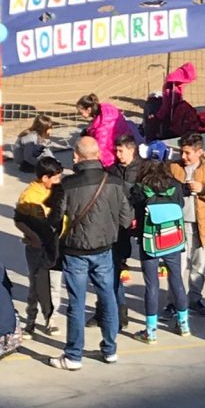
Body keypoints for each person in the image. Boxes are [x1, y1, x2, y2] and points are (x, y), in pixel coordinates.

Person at [49, 137, 132, 370]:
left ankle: (74, 355)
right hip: (105, 249)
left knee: (76, 302)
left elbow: (55, 220)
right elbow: (126, 218)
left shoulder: (67, 185)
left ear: (77, 155)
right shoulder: (115, 182)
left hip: (75, 250)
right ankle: (110, 349)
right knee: (108, 297)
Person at [131, 160, 192, 344]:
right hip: (172, 238)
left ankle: (151, 331)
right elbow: (180, 204)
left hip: (149, 241)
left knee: (152, 285)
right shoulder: (175, 185)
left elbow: (135, 210)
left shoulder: (140, 188)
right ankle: (183, 324)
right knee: (176, 280)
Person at [168, 132, 205, 318]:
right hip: (178, 224)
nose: (183, 157)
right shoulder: (173, 168)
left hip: (201, 226)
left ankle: (194, 299)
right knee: (177, 265)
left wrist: (203, 190)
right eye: (181, 153)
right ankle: (174, 301)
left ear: (199, 152)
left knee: (198, 265)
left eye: (187, 153)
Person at [13, 155, 64, 337]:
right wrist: (33, 237)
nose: (59, 181)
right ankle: (31, 320)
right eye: (56, 177)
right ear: (45, 178)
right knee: (36, 284)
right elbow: (19, 221)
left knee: (55, 283)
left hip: (55, 246)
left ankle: (51, 318)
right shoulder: (29, 197)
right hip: (36, 248)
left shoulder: (59, 191)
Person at [104, 132, 145, 329]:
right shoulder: (111, 171)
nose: (118, 154)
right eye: (116, 150)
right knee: (115, 267)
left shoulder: (145, 169)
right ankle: (119, 312)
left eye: (121, 150)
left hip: (142, 222)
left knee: (149, 266)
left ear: (132, 149)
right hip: (118, 224)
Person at [76, 93, 136, 169]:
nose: (80, 115)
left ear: (88, 110)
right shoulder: (107, 108)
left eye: (81, 113)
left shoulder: (101, 129)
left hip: (114, 159)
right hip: (126, 142)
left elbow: (103, 151)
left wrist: (104, 167)